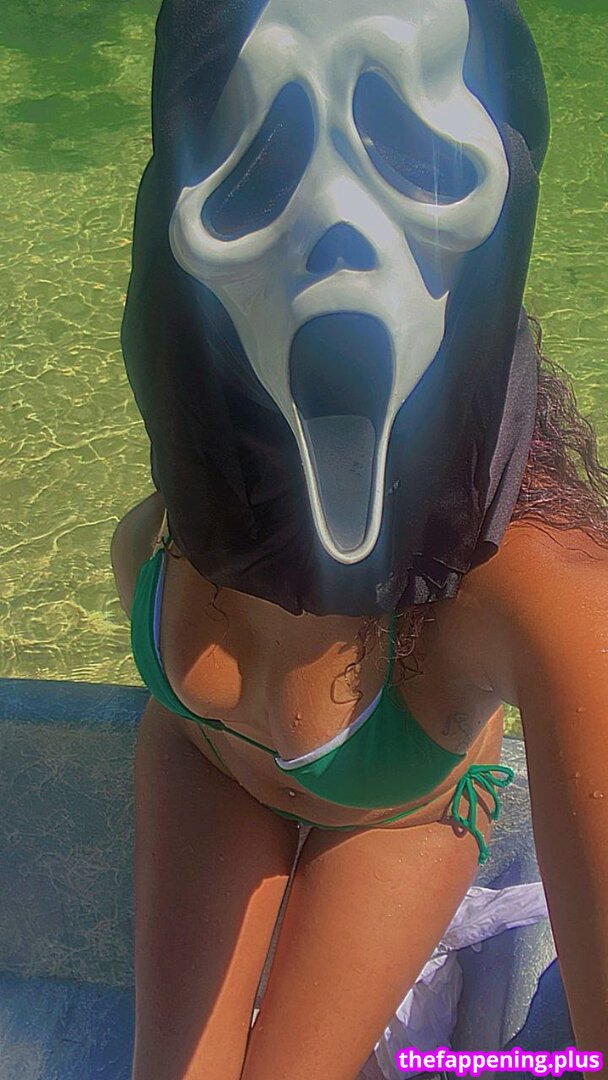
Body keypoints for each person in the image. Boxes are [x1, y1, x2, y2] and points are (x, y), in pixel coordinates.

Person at [112, 1, 608, 1077]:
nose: (336, 228)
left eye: (418, 160)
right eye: (257, 168)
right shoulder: (204, 449)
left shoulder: (533, 579)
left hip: (394, 815)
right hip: (203, 758)